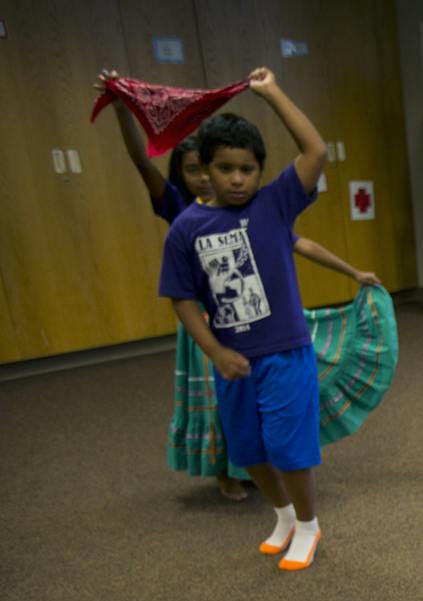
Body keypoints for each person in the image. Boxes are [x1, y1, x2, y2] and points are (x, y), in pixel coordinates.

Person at [96, 69, 381, 502]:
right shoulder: (182, 214)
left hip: (267, 333)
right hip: (209, 329)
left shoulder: (267, 210)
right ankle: (228, 472)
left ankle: (275, 491)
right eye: (211, 168)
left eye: (245, 169)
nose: (230, 178)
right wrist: (121, 109)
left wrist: (353, 272)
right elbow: (141, 163)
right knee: (227, 415)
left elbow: (301, 234)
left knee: (273, 418)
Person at [159, 69, 329, 570]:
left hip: (285, 352)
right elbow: (183, 298)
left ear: (260, 171)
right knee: (248, 448)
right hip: (233, 360)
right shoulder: (186, 228)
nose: (238, 179)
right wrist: (214, 350)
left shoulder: (275, 203)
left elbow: (315, 151)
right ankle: (282, 517)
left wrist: (273, 91)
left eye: (248, 169)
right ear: (203, 169)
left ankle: (309, 524)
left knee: (287, 447)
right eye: (226, 168)